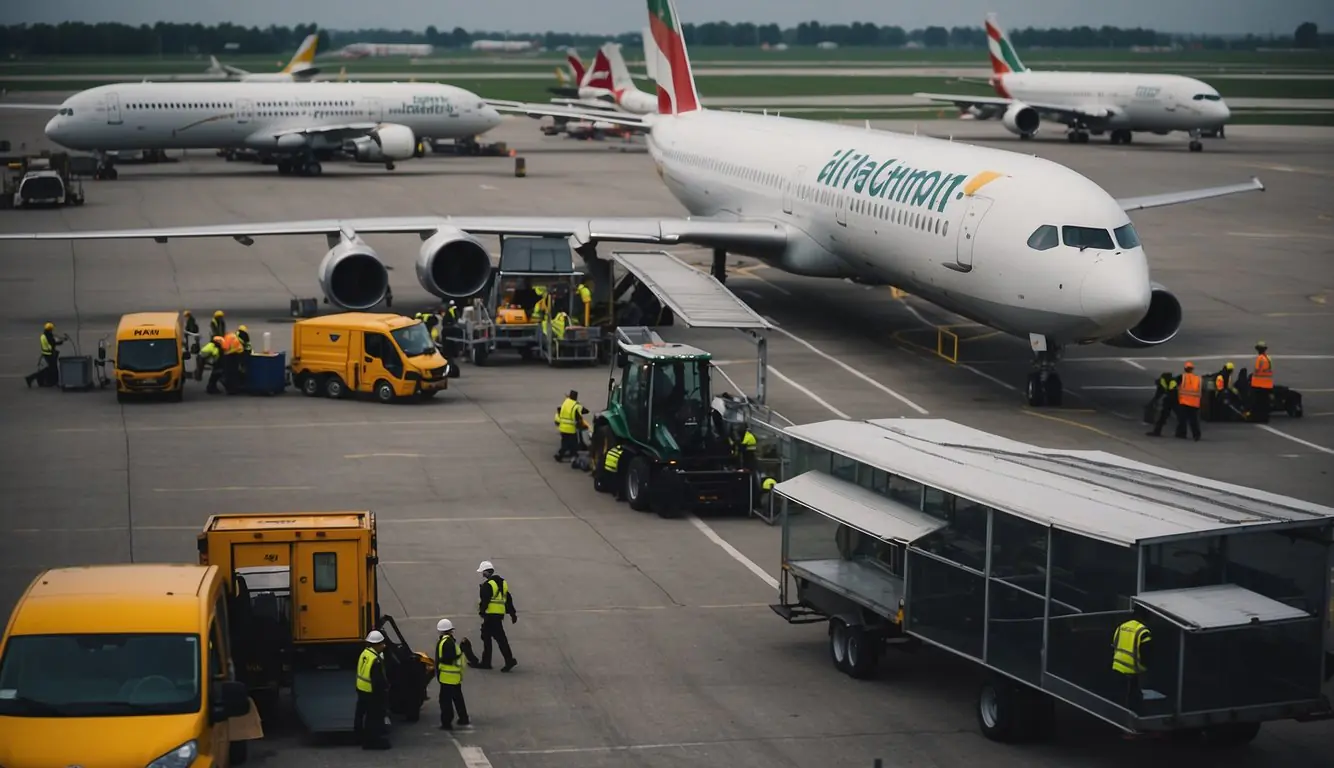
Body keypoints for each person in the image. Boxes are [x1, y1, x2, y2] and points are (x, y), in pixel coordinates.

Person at [471, 560, 518, 672]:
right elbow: (508, 599)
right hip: (499, 615)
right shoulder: (503, 583)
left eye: (482, 572)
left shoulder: (488, 585)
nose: (482, 574)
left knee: (492, 638)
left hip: (490, 616)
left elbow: (485, 600)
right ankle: (489, 661)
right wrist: (512, 613)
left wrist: (482, 611)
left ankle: (504, 660)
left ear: (486, 572)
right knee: (491, 637)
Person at [353, 630, 391, 750]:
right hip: (371, 693)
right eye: (381, 644)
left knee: (360, 714)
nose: (383, 646)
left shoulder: (364, 653)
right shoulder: (375, 660)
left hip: (361, 689)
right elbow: (378, 681)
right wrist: (383, 694)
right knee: (373, 717)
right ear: (376, 644)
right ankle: (372, 742)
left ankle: (358, 736)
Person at [435, 619, 471, 731]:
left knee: (445, 701)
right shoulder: (451, 642)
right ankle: (463, 718)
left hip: (447, 677)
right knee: (457, 698)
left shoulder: (445, 643)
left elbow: (448, 658)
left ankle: (446, 723)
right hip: (454, 676)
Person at [1111, 615, 1152, 713]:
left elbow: (1114, 644)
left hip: (1117, 667)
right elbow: (1146, 654)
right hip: (1132, 670)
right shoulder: (1143, 632)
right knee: (1134, 700)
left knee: (1118, 699)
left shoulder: (1122, 627)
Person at [25, 322, 65, 388]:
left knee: (51, 368)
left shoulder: (44, 335)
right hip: (49, 354)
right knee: (53, 369)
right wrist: (61, 342)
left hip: (46, 353)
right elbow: (53, 343)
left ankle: (36, 379)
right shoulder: (48, 335)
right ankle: (33, 378)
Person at [554, 390, 587, 462]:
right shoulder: (575, 405)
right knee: (573, 443)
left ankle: (572, 454)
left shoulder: (565, 402)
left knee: (565, 442)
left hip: (562, 428)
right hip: (570, 429)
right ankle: (561, 455)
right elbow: (581, 413)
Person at [1174, 361, 1203, 441]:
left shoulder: (1181, 377)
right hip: (1194, 403)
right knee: (1194, 420)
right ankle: (1196, 435)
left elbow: (1174, 385)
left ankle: (1182, 434)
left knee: (1182, 419)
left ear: (1185, 369)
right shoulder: (1197, 378)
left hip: (1184, 402)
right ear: (1192, 369)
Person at [1144, 371, 1178, 437]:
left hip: (1171, 400)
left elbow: (1158, 394)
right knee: (1180, 416)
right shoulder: (1173, 381)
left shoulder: (1162, 382)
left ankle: (1157, 431)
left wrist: (1152, 403)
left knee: (1163, 416)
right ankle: (1182, 433)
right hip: (1175, 400)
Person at [1249, 341, 1273, 421]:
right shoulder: (1268, 358)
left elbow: (1257, 370)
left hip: (1258, 384)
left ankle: (1258, 417)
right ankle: (1265, 417)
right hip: (1268, 384)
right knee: (1265, 402)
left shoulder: (1260, 358)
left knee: (1258, 402)